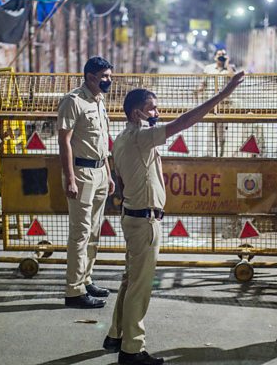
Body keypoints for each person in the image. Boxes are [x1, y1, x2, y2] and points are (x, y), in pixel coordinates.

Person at [102, 71, 245, 365]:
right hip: (144, 222)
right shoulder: (141, 137)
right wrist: (223, 95)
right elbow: (184, 122)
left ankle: (116, 334)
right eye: (152, 108)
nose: (158, 112)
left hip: (133, 217)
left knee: (131, 280)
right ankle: (132, 349)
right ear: (137, 113)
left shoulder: (124, 138)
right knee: (140, 286)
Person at [57, 56, 115, 309]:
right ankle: (74, 291)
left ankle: (86, 279)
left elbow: (102, 143)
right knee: (80, 233)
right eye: (104, 77)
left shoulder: (99, 101)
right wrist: (70, 178)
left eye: (110, 76)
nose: (109, 80)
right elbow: (64, 141)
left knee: (93, 232)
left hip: (100, 171)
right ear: (90, 77)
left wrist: (108, 174)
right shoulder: (74, 101)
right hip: (81, 174)